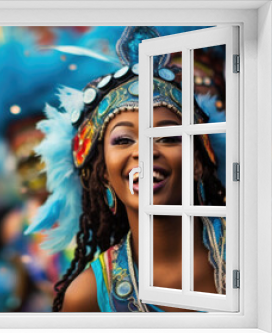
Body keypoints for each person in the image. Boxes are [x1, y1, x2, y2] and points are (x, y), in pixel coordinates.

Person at [25, 26, 226, 312]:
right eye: (123, 140)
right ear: (103, 172)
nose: (144, 151)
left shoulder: (252, 248)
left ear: (196, 161)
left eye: (167, 136)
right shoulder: (87, 298)